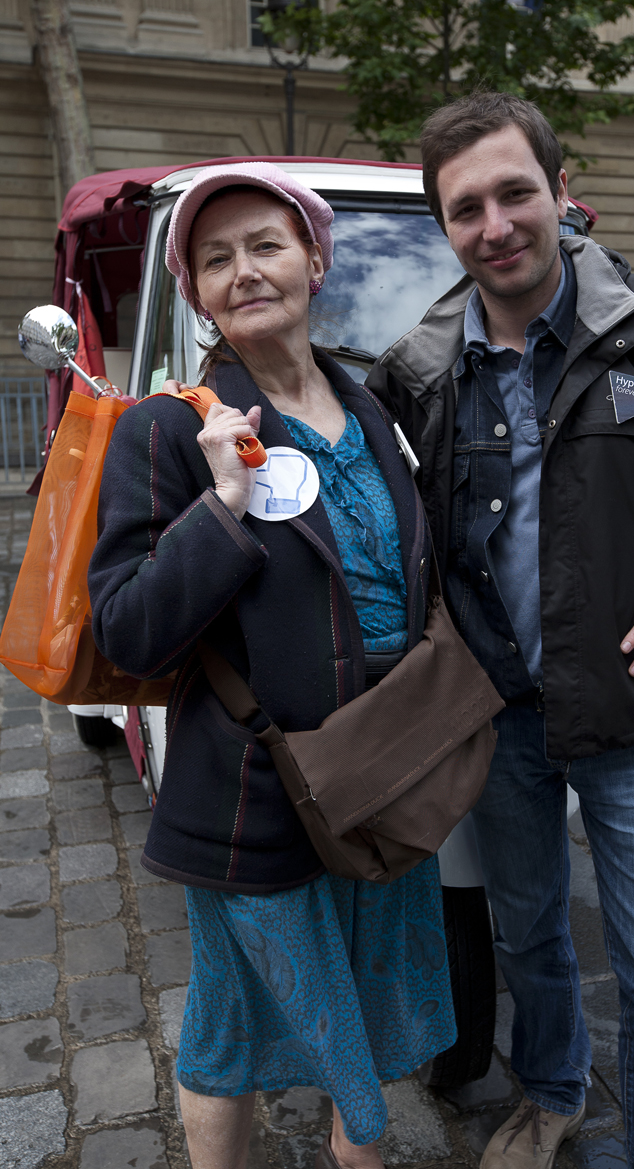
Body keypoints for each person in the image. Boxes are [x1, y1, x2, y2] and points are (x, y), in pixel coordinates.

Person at [366, 91, 634, 1169]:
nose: (495, 223)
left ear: (561, 196)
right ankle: (551, 1090)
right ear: (445, 228)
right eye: (465, 208)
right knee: (526, 938)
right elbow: (350, 495)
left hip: (629, 715)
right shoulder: (420, 371)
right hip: (496, 718)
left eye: (515, 192)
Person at [88, 161, 456, 1169]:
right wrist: (221, 508)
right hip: (260, 790)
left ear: (312, 261)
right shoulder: (168, 428)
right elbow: (126, 632)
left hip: (381, 776)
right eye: (215, 259)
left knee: (372, 1009)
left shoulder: (372, 411)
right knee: (231, 1022)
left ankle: (356, 1151)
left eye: (265, 246)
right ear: (198, 293)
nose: (244, 271)